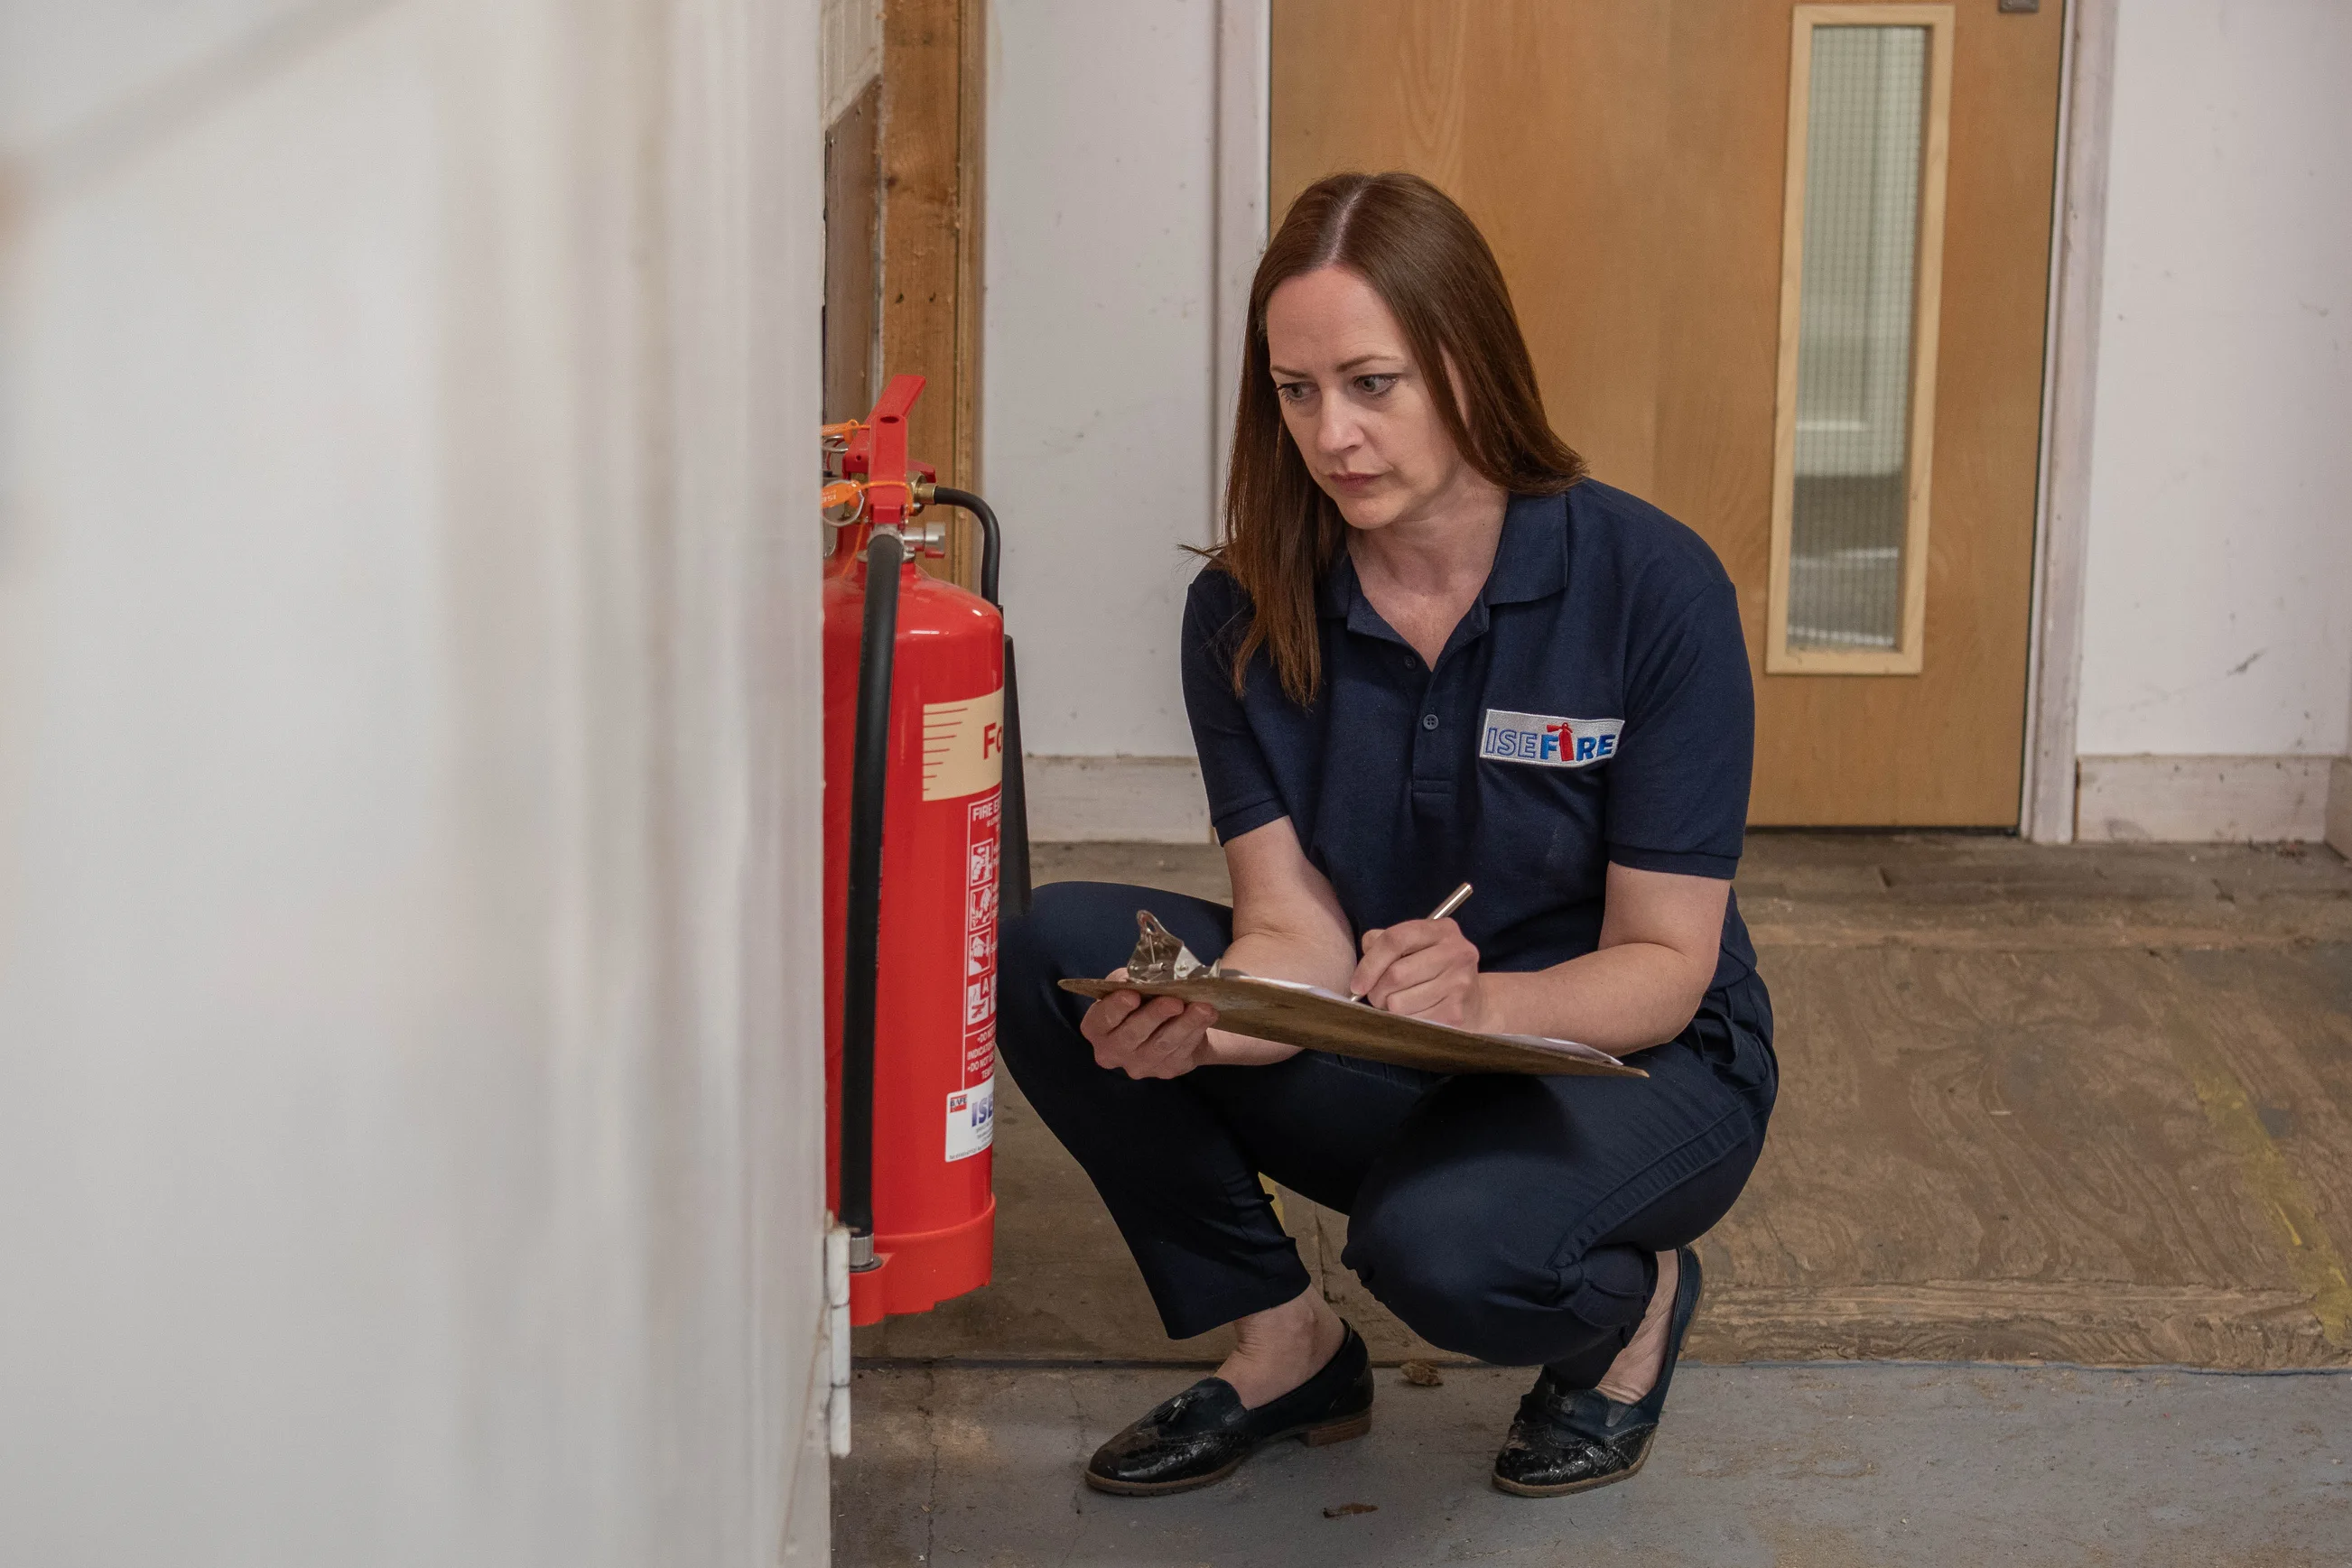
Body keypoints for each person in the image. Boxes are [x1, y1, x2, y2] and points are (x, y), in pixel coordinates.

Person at [995, 172, 1776, 1499]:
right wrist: (1220, 1019)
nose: (1333, 435)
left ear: (1469, 361)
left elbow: (1664, 962)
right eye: (1297, 392)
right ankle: (1287, 1347)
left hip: (1631, 1063)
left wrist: (1484, 1000)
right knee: (1049, 951)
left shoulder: (1651, 588)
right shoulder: (1243, 609)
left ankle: (1627, 1314)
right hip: (1387, 1031)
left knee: (1446, 1255)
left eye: (1373, 383)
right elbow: (1292, 925)